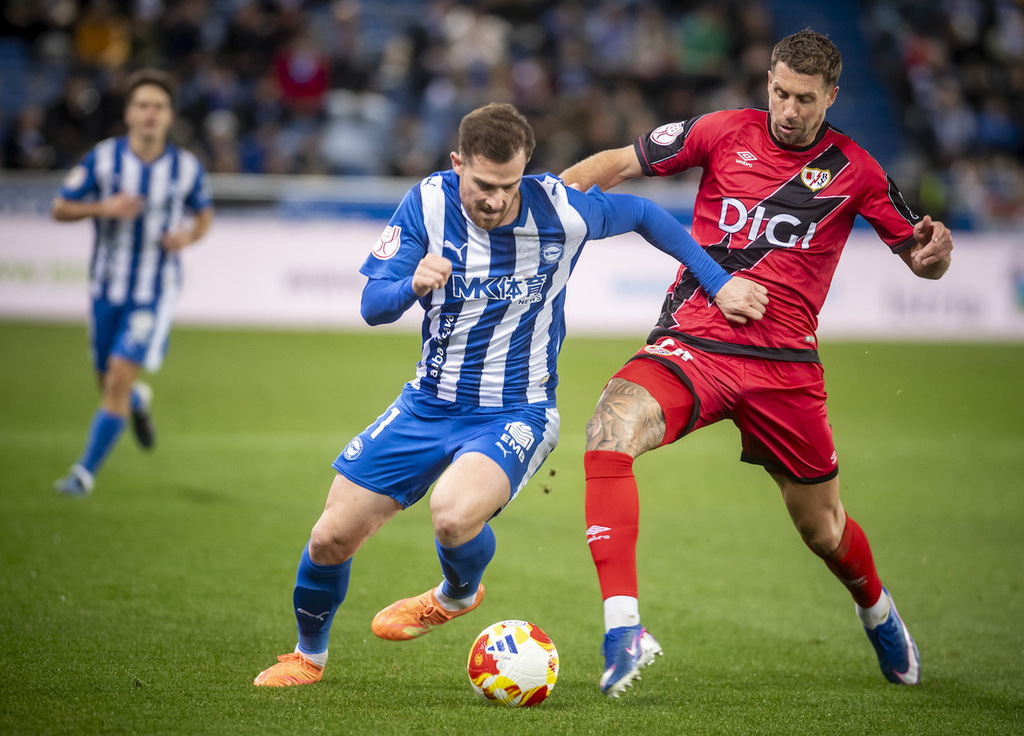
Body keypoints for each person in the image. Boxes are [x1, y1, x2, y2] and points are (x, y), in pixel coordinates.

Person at [252, 102, 750, 687]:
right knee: (330, 536)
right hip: (427, 405)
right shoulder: (428, 203)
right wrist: (412, 284)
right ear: (458, 162)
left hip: (517, 411)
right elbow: (371, 306)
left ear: (526, 171)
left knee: (453, 515)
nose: (494, 199)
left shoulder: (558, 211)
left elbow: (643, 213)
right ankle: (308, 657)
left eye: (508, 186)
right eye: (483, 185)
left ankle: (457, 594)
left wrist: (718, 284)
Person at [559, 29, 953, 697]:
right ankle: (623, 627)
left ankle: (878, 611)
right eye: (779, 92)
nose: (789, 109)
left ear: (831, 95)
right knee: (609, 427)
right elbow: (620, 164)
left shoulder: (856, 169)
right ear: (766, 80)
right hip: (695, 344)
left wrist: (934, 255)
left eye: (804, 98)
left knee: (822, 530)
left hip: (784, 371)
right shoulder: (720, 131)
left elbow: (919, 257)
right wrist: (548, 198)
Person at [51, 69, 214, 496]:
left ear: (169, 116)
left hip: (152, 292)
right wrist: (104, 207)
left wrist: (187, 237)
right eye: (142, 105)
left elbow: (204, 215)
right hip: (106, 288)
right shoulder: (103, 159)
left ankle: (82, 475)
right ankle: (137, 402)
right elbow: (60, 207)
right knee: (108, 382)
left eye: (158, 107)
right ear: (127, 113)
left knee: (119, 377)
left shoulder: (185, 167)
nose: (149, 114)